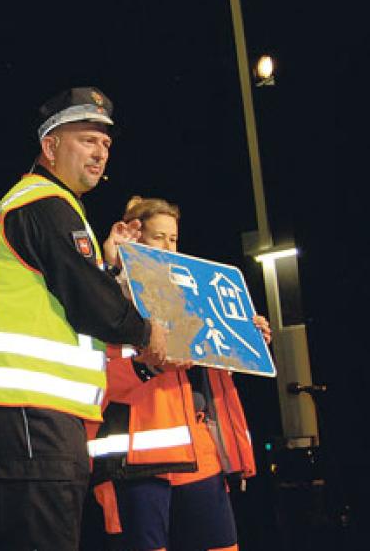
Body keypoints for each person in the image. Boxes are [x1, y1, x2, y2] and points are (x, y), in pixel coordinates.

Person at [0, 87, 170, 551]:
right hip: (29, 404)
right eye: (87, 139)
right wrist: (147, 331)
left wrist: (106, 269)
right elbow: (92, 304)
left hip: (32, 408)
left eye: (106, 144)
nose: (100, 152)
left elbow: (70, 289)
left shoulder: (45, 205)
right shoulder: (45, 204)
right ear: (50, 147)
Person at [88, 196, 271, 551]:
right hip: (139, 457)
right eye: (159, 237)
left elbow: (209, 369)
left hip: (198, 447)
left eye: (173, 238)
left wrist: (244, 336)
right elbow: (92, 377)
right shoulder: (105, 297)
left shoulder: (195, 294)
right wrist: (146, 365)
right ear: (135, 237)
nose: (169, 247)